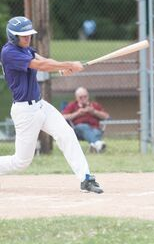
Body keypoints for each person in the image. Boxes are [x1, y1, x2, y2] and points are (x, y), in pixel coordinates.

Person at [0, 16, 103, 194]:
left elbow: (43, 58)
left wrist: (62, 68)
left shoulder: (26, 49)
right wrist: (69, 64)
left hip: (40, 105)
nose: (27, 38)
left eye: (29, 35)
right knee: (21, 162)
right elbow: (40, 65)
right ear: (12, 36)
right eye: (23, 36)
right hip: (25, 111)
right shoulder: (9, 53)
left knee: (66, 133)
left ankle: (86, 178)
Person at [62, 87, 110, 153]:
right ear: (76, 98)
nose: (83, 99)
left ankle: (94, 146)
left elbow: (106, 116)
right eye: (80, 97)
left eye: (85, 96)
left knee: (96, 132)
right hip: (79, 130)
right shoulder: (72, 105)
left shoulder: (94, 105)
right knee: (84, 127)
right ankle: (98, 144)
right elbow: (63, 117)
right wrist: (77, 113)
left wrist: (94, 112)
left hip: (94, 128)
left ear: (88, 96)